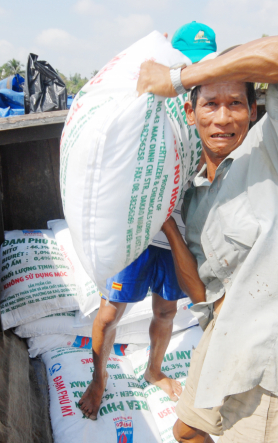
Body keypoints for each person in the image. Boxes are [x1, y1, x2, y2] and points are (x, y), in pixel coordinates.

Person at [137, 30, 278, 442]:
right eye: (210, 104)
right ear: (190, 114)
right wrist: (168, 228)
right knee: (186, 432)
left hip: (268, 349)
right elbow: (199, 292)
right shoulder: (194, 196)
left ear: (253, 110)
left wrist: (179, 77)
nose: (223, 117)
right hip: (220, 332)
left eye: (235, 104)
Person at [78, 21, 218, 421]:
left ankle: (154, 371)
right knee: (110, 312)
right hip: (139, 235)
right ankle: (99, 379)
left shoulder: (213, 107)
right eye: (190, 65)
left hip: (178, 238)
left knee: (166, 312)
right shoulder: (154, 98)